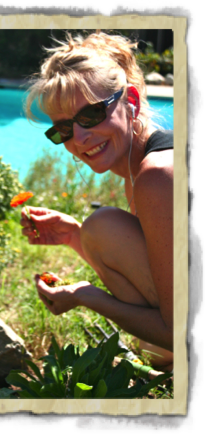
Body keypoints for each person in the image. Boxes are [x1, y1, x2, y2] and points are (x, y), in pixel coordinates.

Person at [20, 31, 173, 372]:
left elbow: (179, 331)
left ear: (130, 100)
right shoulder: (139, 170)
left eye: (90, 116)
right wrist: (74, 235)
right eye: (62, 129)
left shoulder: (158, 174)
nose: (78, 139)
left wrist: (86, 297)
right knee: (97, 228)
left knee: (102, 224)